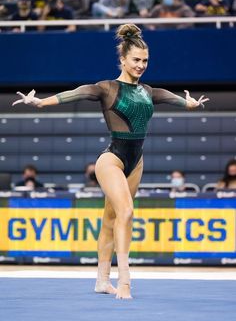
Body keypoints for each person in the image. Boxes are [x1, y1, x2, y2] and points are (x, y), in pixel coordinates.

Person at [12, 23, 209, 299]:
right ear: (123, 60)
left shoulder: (149, 92)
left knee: (110, 218)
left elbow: (173, 98)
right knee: (126, 212)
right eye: (136, 60)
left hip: (136, 161)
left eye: (145, 61)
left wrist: (191, 104)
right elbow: (79, 92)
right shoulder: (107, 88)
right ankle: (125, 280)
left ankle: (101, 281)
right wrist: (42, 103)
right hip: (112, 159)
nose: (141, 65)